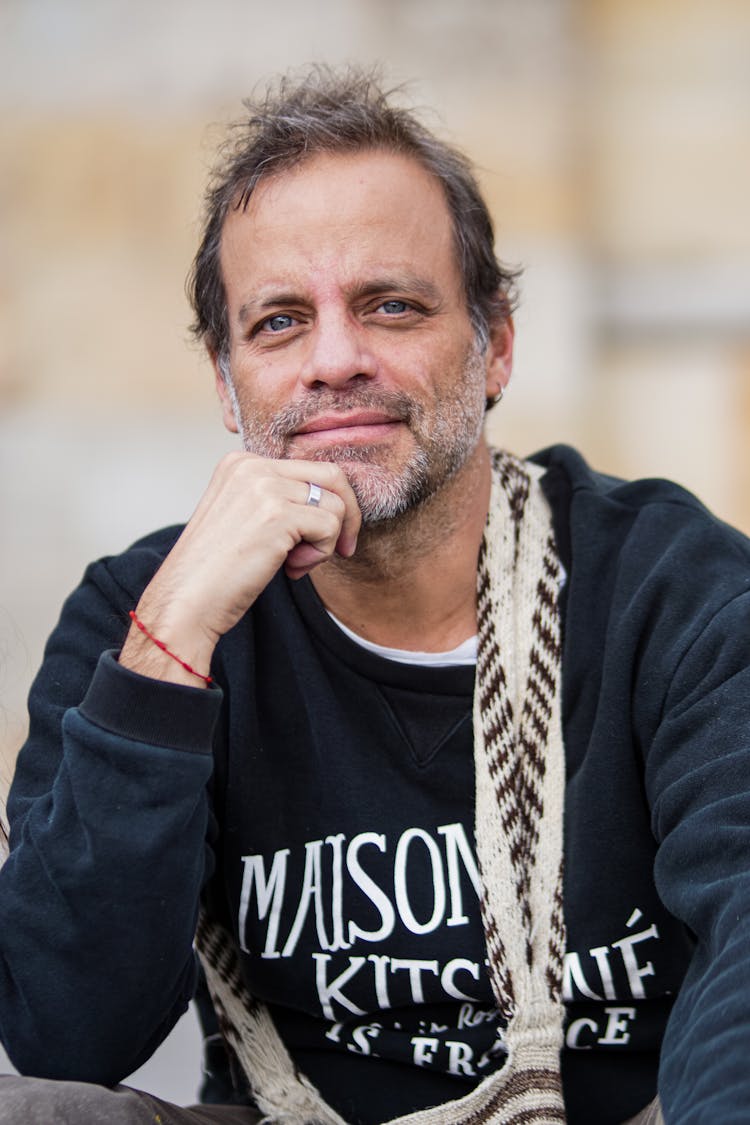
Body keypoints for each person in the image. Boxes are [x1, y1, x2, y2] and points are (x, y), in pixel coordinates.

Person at [0, 67, 749, 1125]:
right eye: (278, 324)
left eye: (391, 307)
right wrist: (171, 646)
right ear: (225, 382)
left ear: (495, 345)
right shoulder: (142, 615)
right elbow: (67, 1029)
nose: (336, 360)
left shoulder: (676, 593)